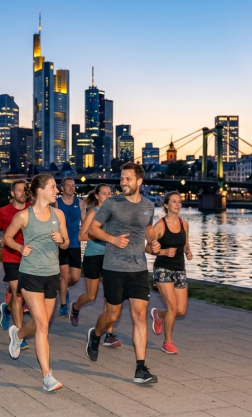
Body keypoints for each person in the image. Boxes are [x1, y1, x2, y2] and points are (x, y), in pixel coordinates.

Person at [84, 162, 161, 384]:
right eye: (121, 178)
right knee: (112, 315)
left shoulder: (148, 205)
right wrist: (112, 239)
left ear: (139, 181)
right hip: (114, 267)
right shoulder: (112, 203)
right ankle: (95, 334)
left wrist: (153, 242)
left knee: (140, 315)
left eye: (128, 179)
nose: (123, 182)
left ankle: (140, 369)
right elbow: (92, 229)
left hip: (138, 268)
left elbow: (147, 229)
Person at [4, 174, 69, 392]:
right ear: (40, 191)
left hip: (52, 275)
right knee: (42, 325)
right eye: (53, 187)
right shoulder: (24, 216)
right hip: (30, 273)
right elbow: (7, 237)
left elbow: (66, 243)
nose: (57, 190)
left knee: (42, 323)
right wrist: (20, 248)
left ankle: (17, 334)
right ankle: (47, 376)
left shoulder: (58, 214)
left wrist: (61, 240)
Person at [70, 184, 120, 346]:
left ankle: (109, 334)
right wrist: (101, 235)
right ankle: (76, 307)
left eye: (109, 193)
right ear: (97, 196)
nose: (108, 196)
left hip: (110, 257)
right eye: (104, 193)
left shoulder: (113, 213)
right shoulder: (93, 213)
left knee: (110, 297)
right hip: (93, 257)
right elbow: (81, 236)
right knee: (91, 295)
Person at [147, 191, 193, 355]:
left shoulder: (184, 224)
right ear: (166, 205)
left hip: (179, 269)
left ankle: (159, 315)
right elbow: (147, 248)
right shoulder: (160, 226)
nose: (178, 204)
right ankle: (168, 342)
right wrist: (164, 252)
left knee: (181, 310)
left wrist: (188, 252)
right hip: (163, 269)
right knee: (172, 307)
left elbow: (185, 244)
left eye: (179, 201)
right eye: (174, 201)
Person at [0, 179, 30, 350]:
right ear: (13, 193)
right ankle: (20, 335)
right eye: (19, 190)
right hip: (11, 256)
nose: (23, 193)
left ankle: (6, 310)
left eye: (25, 190)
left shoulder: (32, 209)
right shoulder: (4, 211)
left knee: (22, 294)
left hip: (29, 257)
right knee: (18, 294)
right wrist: (1, 241)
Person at [56, 178, 82, 317]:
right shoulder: (56, 203)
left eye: (73, 185)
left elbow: (85, 223)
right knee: (64, 276)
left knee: (75, 278)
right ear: (62, 188)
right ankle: (63, 306)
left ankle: (62, 289)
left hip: (75, 244)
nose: (72, 188)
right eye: (68, 185)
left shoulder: (80, 203)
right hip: (61, 244)